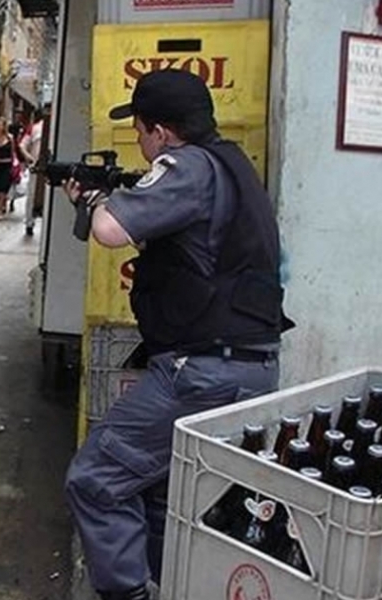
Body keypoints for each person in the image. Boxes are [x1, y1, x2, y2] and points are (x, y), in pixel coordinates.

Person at [61, 70, 292, 600]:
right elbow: (193, 261)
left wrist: (95, 201)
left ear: (162, 133)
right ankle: (171, 585)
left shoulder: (185, 166)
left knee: (95, 479)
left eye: (141, 132)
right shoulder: (233, 168)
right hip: (243, 365)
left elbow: (110, 231)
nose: (140, 145)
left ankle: (129, 595)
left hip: (203, 371)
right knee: (159, 491)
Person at [19, 108, 46, 235]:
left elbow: (22, 145)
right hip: (36, 167)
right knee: (32, 196)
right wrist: (29, 157)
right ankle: (29, 222)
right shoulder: (34, 128)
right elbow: (22, 145)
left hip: (44, 167)